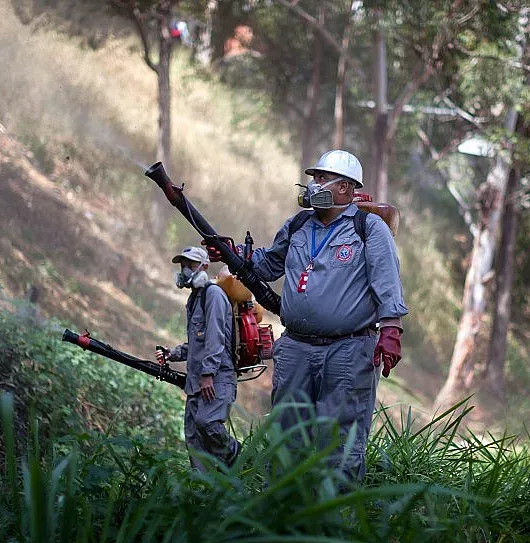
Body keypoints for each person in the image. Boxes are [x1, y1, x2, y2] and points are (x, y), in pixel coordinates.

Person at [245, 150, 407, 482]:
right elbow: (267, 265)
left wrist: (391, 329)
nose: (313, 184)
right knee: (287, 433)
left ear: (347, 188)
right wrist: (238, 254)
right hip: (296, 348)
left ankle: (339, 518)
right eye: (314, 177)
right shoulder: (298, 224)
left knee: (341, 438)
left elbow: (386, 280)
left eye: (322, 178)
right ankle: (285, 512)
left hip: (348, 350)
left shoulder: (368, 228)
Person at [156, 246, 240, 470]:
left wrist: (208, 374)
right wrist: (172, 353)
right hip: (196, 383)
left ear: (204, 267)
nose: (185, 270)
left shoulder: (213, 294)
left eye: (191, 265)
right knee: (194, 438)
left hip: (215, 378)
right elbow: (196, 343)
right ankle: (203, 490)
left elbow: (215, 338)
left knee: (208, 423)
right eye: (183, 265)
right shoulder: (194, 299)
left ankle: (239, 458)